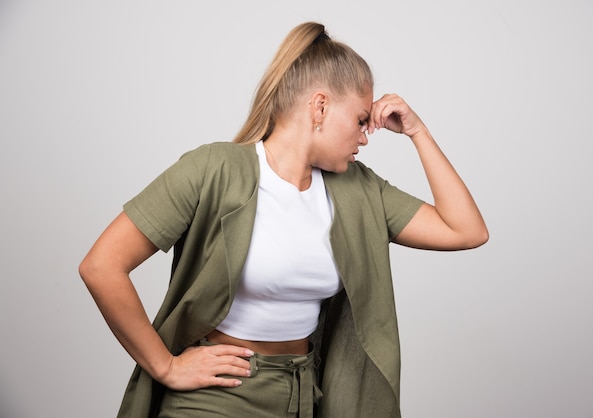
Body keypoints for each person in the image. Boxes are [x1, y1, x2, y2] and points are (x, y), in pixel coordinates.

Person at [79, 21, 488, 418]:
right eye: (361, 120)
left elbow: (466, 231)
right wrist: (166, 367)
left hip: (307, 397)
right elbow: (101, 266)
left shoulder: (358, 190)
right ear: (320, 106)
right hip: (219, 398)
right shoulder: (214, 168)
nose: (366, 136)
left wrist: (417, 131)